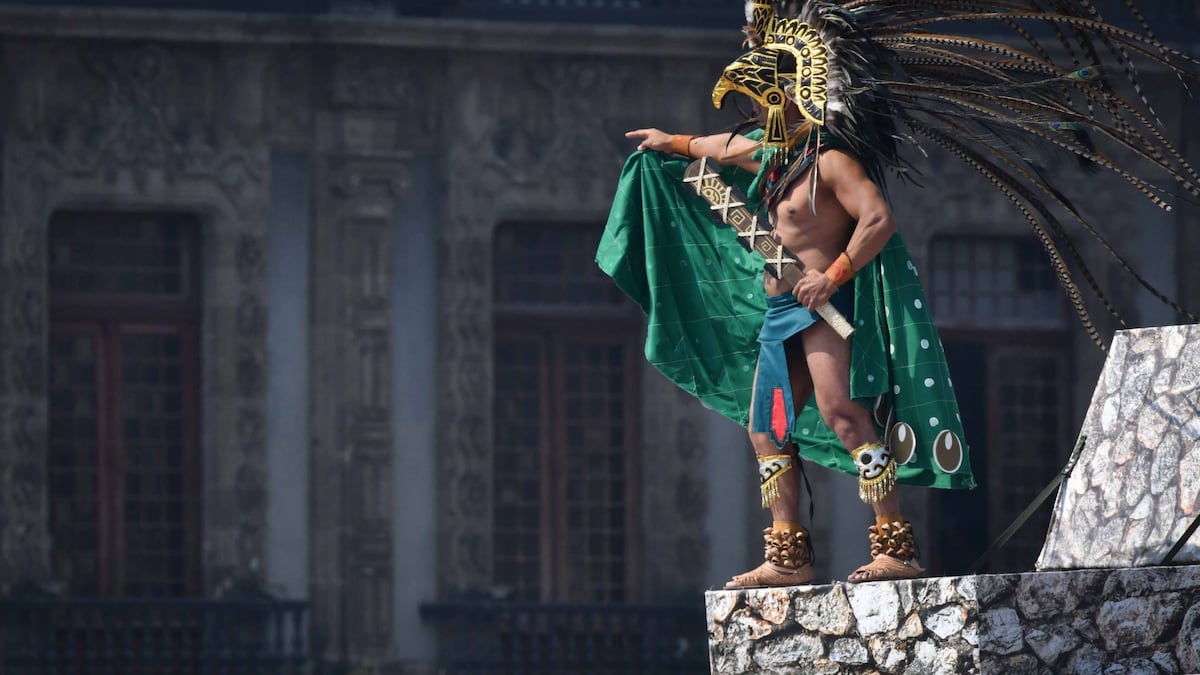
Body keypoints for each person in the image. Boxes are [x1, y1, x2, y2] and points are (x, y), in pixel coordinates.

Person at [597, 0, 1198, 588]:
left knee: (843, 415)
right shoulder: (771, 156)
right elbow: (713, 147)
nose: (755, 108)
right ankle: (787, 555)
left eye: (762, 97)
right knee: (767, 430)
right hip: (782, 313)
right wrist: (670, 140)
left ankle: (895, 544)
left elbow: (878, 219)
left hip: (825, 312)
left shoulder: (831, 161)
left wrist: (831, 275)